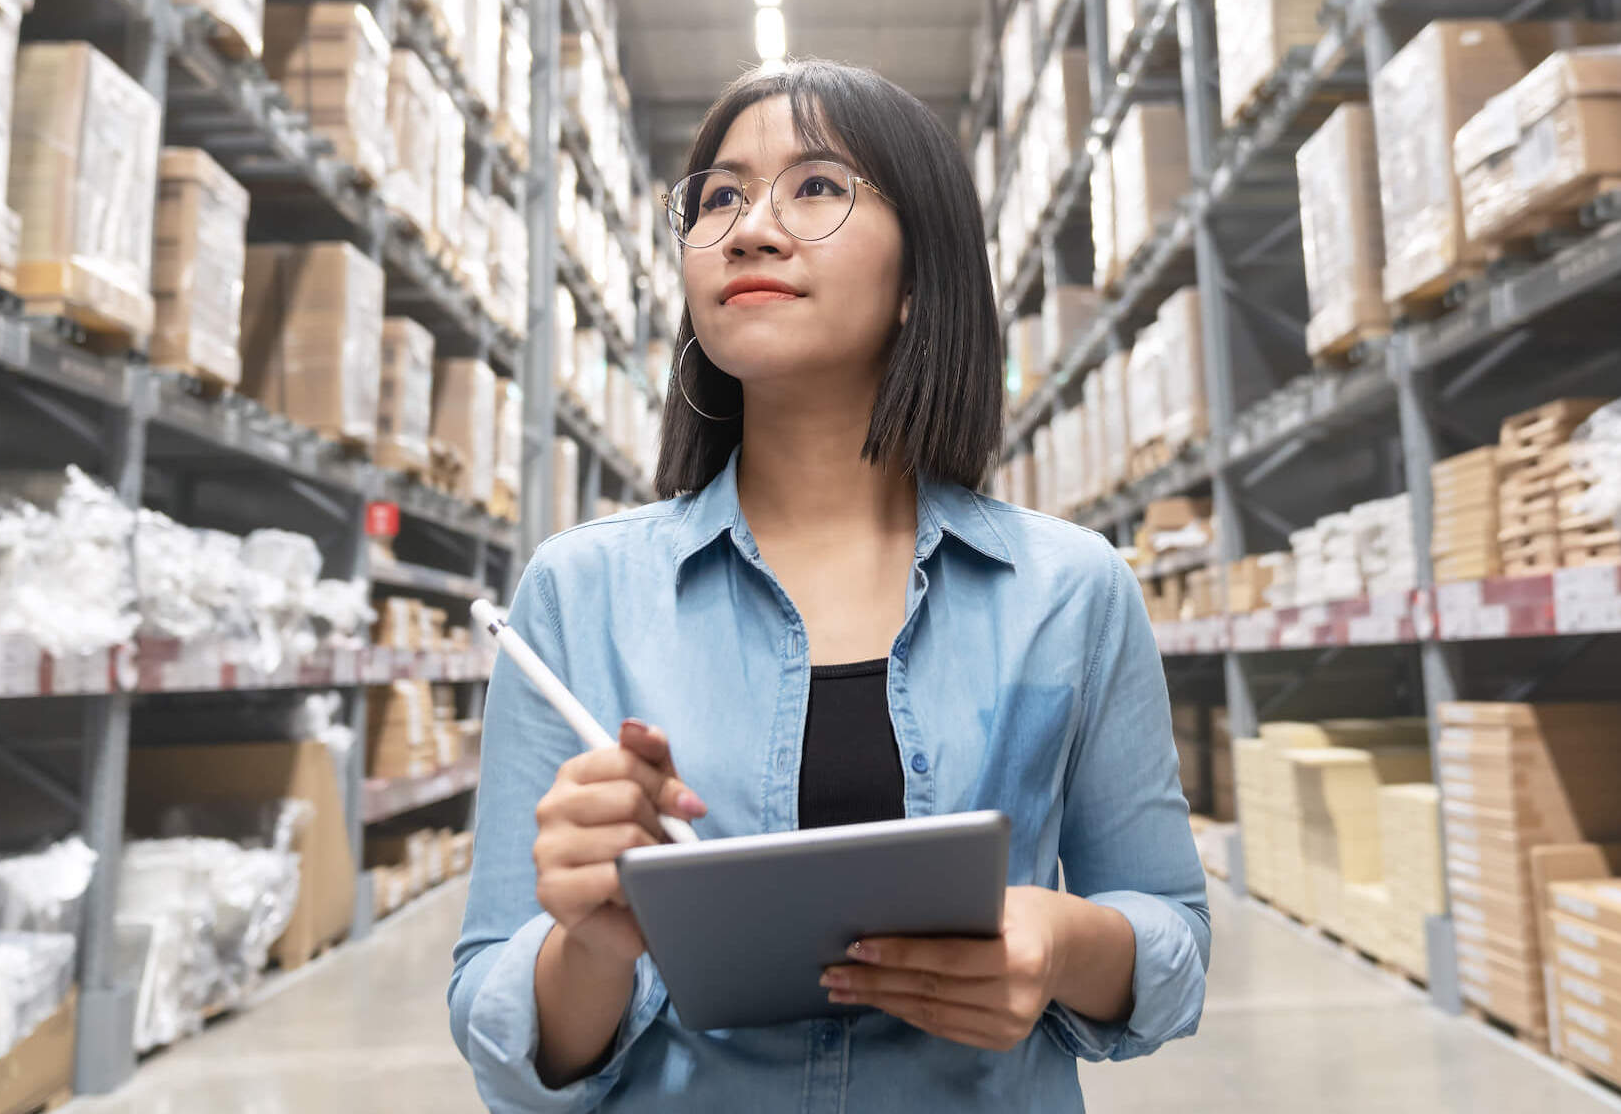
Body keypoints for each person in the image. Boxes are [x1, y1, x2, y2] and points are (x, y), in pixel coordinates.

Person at [448, 58, 1209, 1112]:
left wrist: (1062, 942)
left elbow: (1171, 937)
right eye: (719, 197)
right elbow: (499, 1024)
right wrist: (592, 944)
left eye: (816, 186)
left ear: (917, 277)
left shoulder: (1069, 590)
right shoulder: (579, 593)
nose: (750, 229)